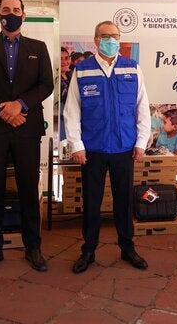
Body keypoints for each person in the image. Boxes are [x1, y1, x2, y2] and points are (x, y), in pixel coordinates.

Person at [0, 0, 54, 274]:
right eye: (6, 9)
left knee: (28, 189)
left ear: (24, 15)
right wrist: (1, 109)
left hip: (27, 127)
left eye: (16, 10)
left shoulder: (38, 47)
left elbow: (47, 84)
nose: (11, 14)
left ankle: (33, 247)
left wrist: (20, 105)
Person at [64, 20, 151, 274]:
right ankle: (88, 250)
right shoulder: (82, 70)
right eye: (105, 36)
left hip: (124, 147)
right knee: (92, 202)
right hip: (93, 149)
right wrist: (77, 145)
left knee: (124, 202)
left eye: (115, 36)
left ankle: (128, 248)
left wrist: (141, 142)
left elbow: (142, 108)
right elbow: (72, 111)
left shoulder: (132, 68)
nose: (111, 40)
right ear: (96, 40)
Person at [59, 47, 72, 141]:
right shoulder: (55, 79)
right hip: (61, 120)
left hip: (73, 119)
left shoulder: (71, 75)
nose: (64, 62)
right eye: (61, 59)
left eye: (66, 58)